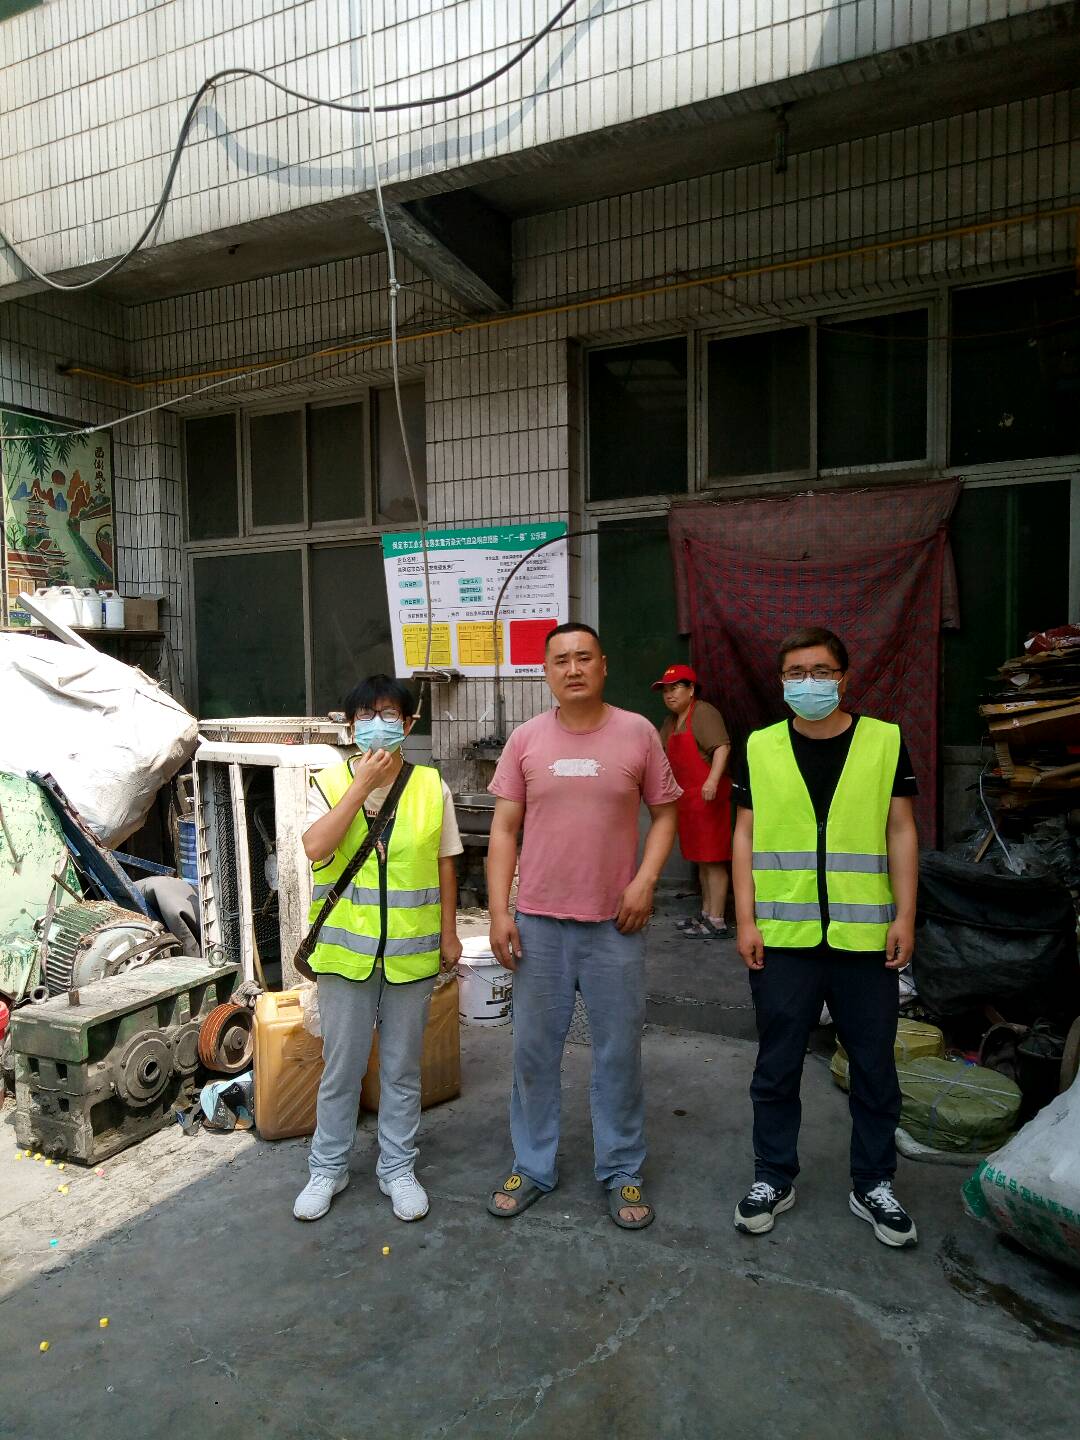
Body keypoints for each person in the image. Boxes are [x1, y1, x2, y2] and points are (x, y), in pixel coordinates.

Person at [484, 623, 681, 1229]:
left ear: (603, 666)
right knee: (533, 1052)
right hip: (538, 925)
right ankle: (532, 1164)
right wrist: (499, 910)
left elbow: (666, 813)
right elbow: (504, 830)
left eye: (584, 658)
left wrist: (645, 881)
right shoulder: (526, 739)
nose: (573, 669)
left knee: (618, 1052)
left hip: (615, 926)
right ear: (546, 671)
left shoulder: (638, 733)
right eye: (561, 660)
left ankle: (622, 1170)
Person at [730, 627, 920, 1248]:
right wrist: (746, 919)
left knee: (874, 1065)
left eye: (820, 671)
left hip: (866, 939)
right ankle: (772, 1175)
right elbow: (744, 834)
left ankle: (874, 1183)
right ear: (781, 681)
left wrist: (905, 916)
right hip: (783, 936)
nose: (807, 683)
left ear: (844, 677)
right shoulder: (759, 746)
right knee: (777, 1064)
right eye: (795, 673)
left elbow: (900, 829)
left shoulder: (884, 741)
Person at [293, 675, 463, 1223]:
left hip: (411, 954)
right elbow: (315, 847)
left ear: (409, 724)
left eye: (389, 714)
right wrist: (359, 786)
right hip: (345, 956)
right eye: (365, 715)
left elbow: (445, 863)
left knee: (402, 1070)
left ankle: (398, 1167)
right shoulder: (326, 782)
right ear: (350, 726)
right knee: (341, 1069)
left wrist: (450, 932)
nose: (377, 724)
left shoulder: (431, 786)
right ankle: (328, 1168)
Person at [653, 663, 733, 937]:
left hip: (710, 798)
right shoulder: (670, 722)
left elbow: (722, 747)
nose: (669, 694)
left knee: (714, 860)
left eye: (675, 688)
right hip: (687, 801)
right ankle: (705, 915)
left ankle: (717, 920)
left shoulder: (703, 713)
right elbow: (660, 754)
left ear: (691, 690)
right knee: (701, 860)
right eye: (665, 690)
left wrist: (712, 781)